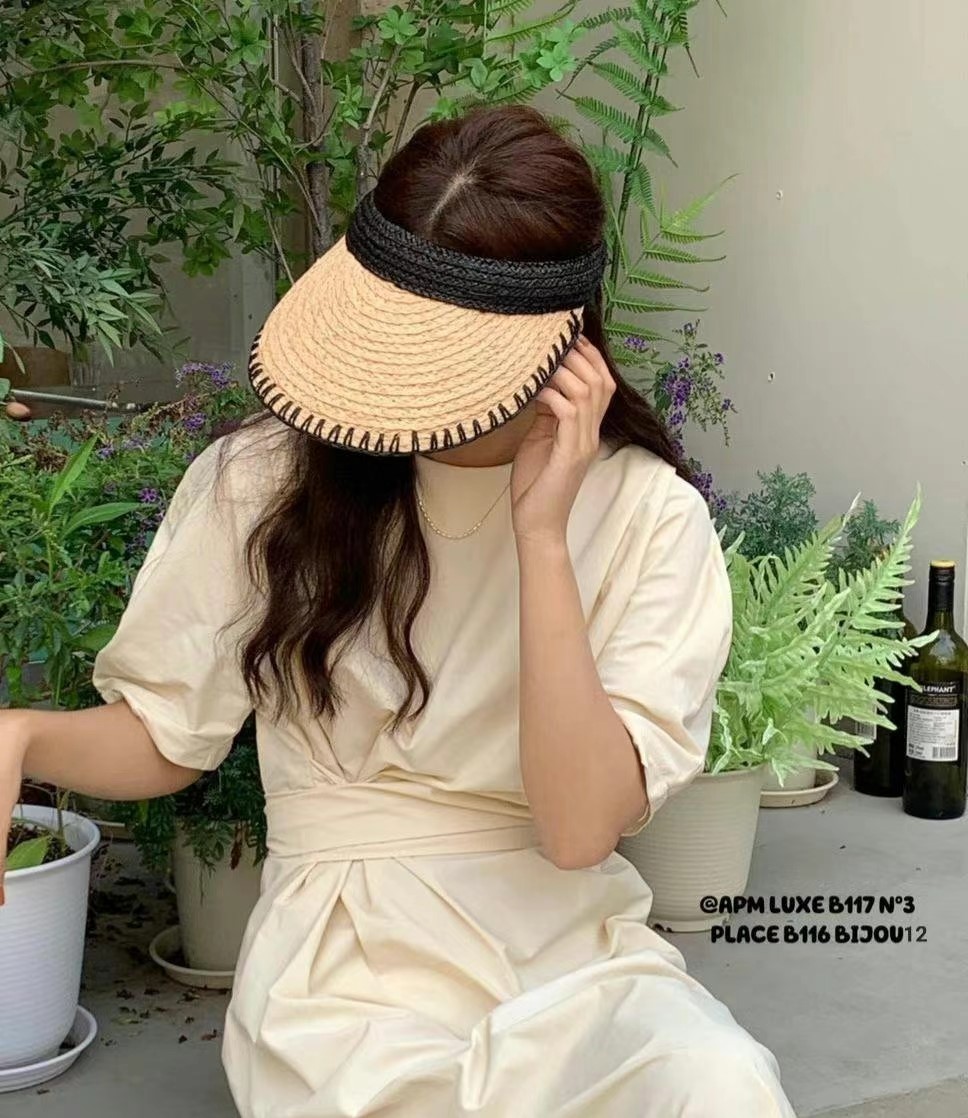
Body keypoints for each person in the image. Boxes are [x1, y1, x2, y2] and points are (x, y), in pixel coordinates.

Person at [0, 105, 796, 1117]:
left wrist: (542, 538)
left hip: (571, 949)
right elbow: (167, 733)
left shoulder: (647, 514)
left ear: (566, 348)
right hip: (344, 967)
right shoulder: (265, 479)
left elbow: (576, 831)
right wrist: (23, 735)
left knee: (714, 1081)